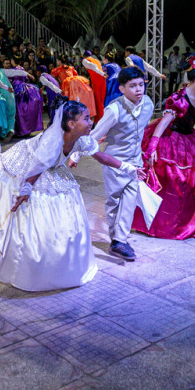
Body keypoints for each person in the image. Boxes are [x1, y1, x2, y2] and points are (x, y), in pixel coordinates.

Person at [0, 99, 138, 291]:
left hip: (48, 167)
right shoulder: (52, 141)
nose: (90, 122)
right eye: (86, 118)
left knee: (63, 200)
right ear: (71, 124)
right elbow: (37, 168)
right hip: (25, 165)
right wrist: (26, 188)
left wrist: (127, 168)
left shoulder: (81, 140)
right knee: (33, 211)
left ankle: (60, 261)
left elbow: (102, 157)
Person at [69, 66, 153, 260]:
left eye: (141, 85)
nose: (139, 90)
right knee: (114, 201)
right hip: (115, 162)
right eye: (133, 86)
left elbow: (142, 130)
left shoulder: (148, 103)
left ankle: (119, 241)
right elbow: (94, 134)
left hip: (135, 162)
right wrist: (76, 155)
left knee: (129, 201)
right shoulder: (114, 109)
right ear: (122, 88)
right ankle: (117, 240)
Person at [136, 58, 195, 238]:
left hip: (190, 137)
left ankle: (191, 218)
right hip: (170, 137)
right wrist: (152, 146)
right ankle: (165, 221)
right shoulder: (179, 99)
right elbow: (164, 122)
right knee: (173, 176)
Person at [52, 55, 97, 119]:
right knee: (80, 99)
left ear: (59, 61)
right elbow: (76, 75)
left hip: (67, 85)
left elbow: (52, 79)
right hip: (75, 83)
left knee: (69, 101)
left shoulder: (57, 70)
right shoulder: (71, 68)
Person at [6, 59, 43, 136]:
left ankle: (18, 131)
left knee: (17, 111)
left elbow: (9, 80)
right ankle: (27, 130)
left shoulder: (11, 69)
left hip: (16, 90)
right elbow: (26, 78)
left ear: (13, 61)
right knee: (26, 111)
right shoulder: (22, 68)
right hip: (25, 89)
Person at [81, 52, 107, 121]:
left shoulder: (85, 60)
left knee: (98, 100)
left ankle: (100, 119)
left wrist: (102, 73)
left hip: (97, 80)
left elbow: (93, 66)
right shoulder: (97, 60)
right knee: (101, 100)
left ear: (84, 56)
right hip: (102, 80)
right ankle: (100, 118)